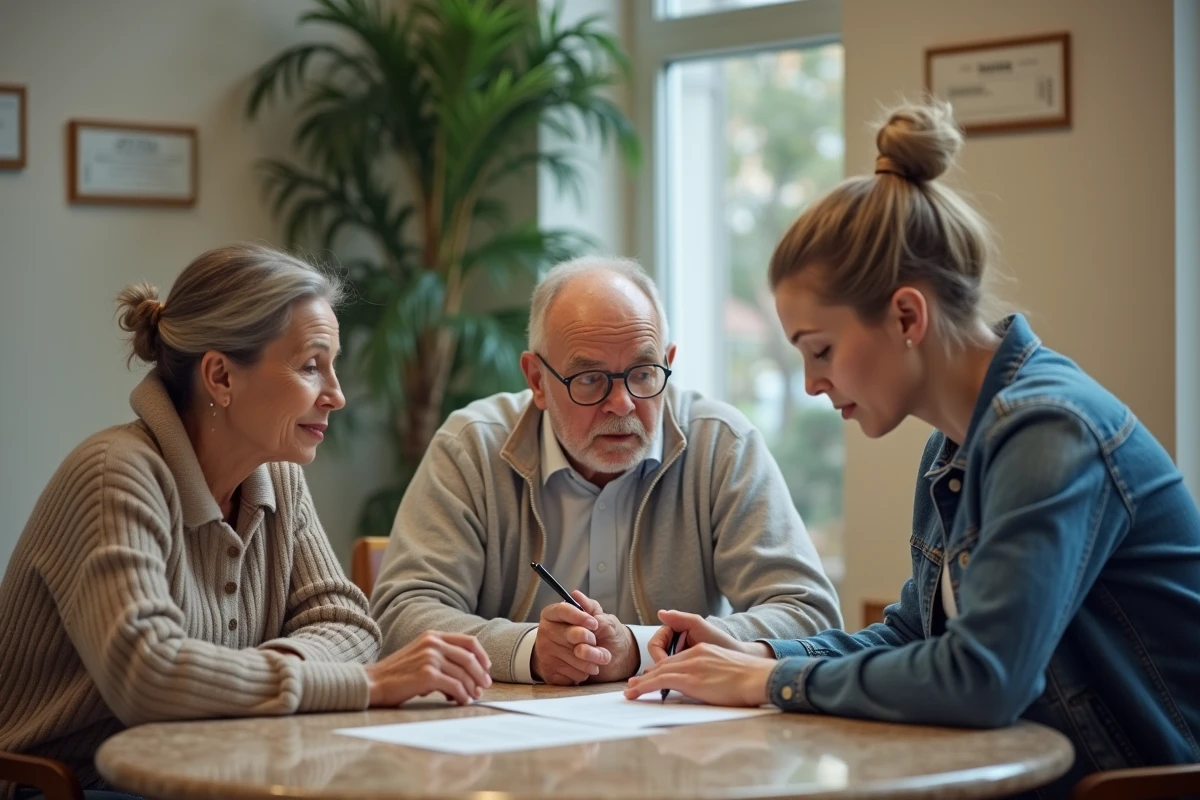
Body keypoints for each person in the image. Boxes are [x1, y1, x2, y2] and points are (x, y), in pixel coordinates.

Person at [623, 100, 1200, 797]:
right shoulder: (953, 448)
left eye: (821, 350)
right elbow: (913, 638)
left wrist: (771, 681)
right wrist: (757, 651)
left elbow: (983, 678)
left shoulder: (1050, 428)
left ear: (905, 315)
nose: (810, 384)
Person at [0, 244, 491, 800]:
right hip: (73, 785)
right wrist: (363, 685)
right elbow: (150, 676)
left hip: (216, 769)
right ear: (221, 377)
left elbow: (351, 627)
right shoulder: (113, 474)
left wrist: (246, 678)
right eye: (311, 365)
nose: (337, 395)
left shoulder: (277, 477)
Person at [371, 256, 841, 685]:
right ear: (537, 380)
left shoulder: (721, 444)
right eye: (590, 379)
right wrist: (529, 650)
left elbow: (810, 614)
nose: (622, 403)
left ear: (668, 363)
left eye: (642, 374)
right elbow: (400, 614)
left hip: (676, 751)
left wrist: (641, 649)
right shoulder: (472, 447)